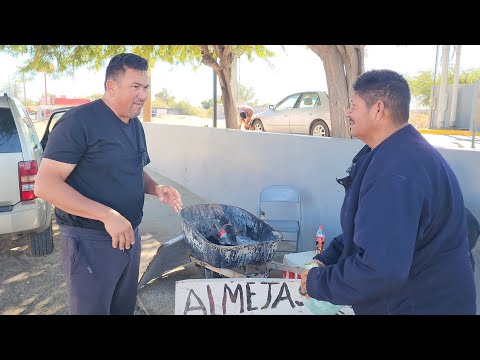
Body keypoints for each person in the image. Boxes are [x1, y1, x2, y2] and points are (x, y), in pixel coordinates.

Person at [300, 69, 476, 315]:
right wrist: (328, 258)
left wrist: (319, 282)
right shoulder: (398, 154)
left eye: (353, 105)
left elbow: (380, 270)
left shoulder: (396, 172)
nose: (347, 112)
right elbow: (371, 233)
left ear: (378, 109)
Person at [34, 53, 183, 315]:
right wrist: (107, 215)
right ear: (111, 86)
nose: (142, 95)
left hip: (129, 237)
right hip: (90, 241)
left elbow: (135, 169)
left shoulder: (134, 125)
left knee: (123, 309)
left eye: (145, 87)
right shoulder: (79, 122)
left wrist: (156, 188)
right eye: (135, 87)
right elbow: (45, 185)